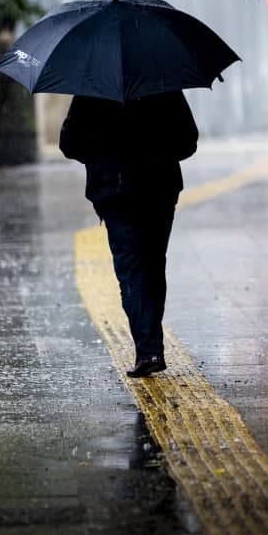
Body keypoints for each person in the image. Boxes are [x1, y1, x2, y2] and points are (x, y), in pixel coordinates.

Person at [59, 90, 199, 377]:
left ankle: (148, 349)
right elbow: (188, 141)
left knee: (131, 269)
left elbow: (69, 145)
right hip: (160, 189)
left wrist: (100, 153)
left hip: (115, 190)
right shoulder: (162, 85)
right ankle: (151, 344)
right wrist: (157, 151)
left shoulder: (91, 90)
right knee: (153, 264)